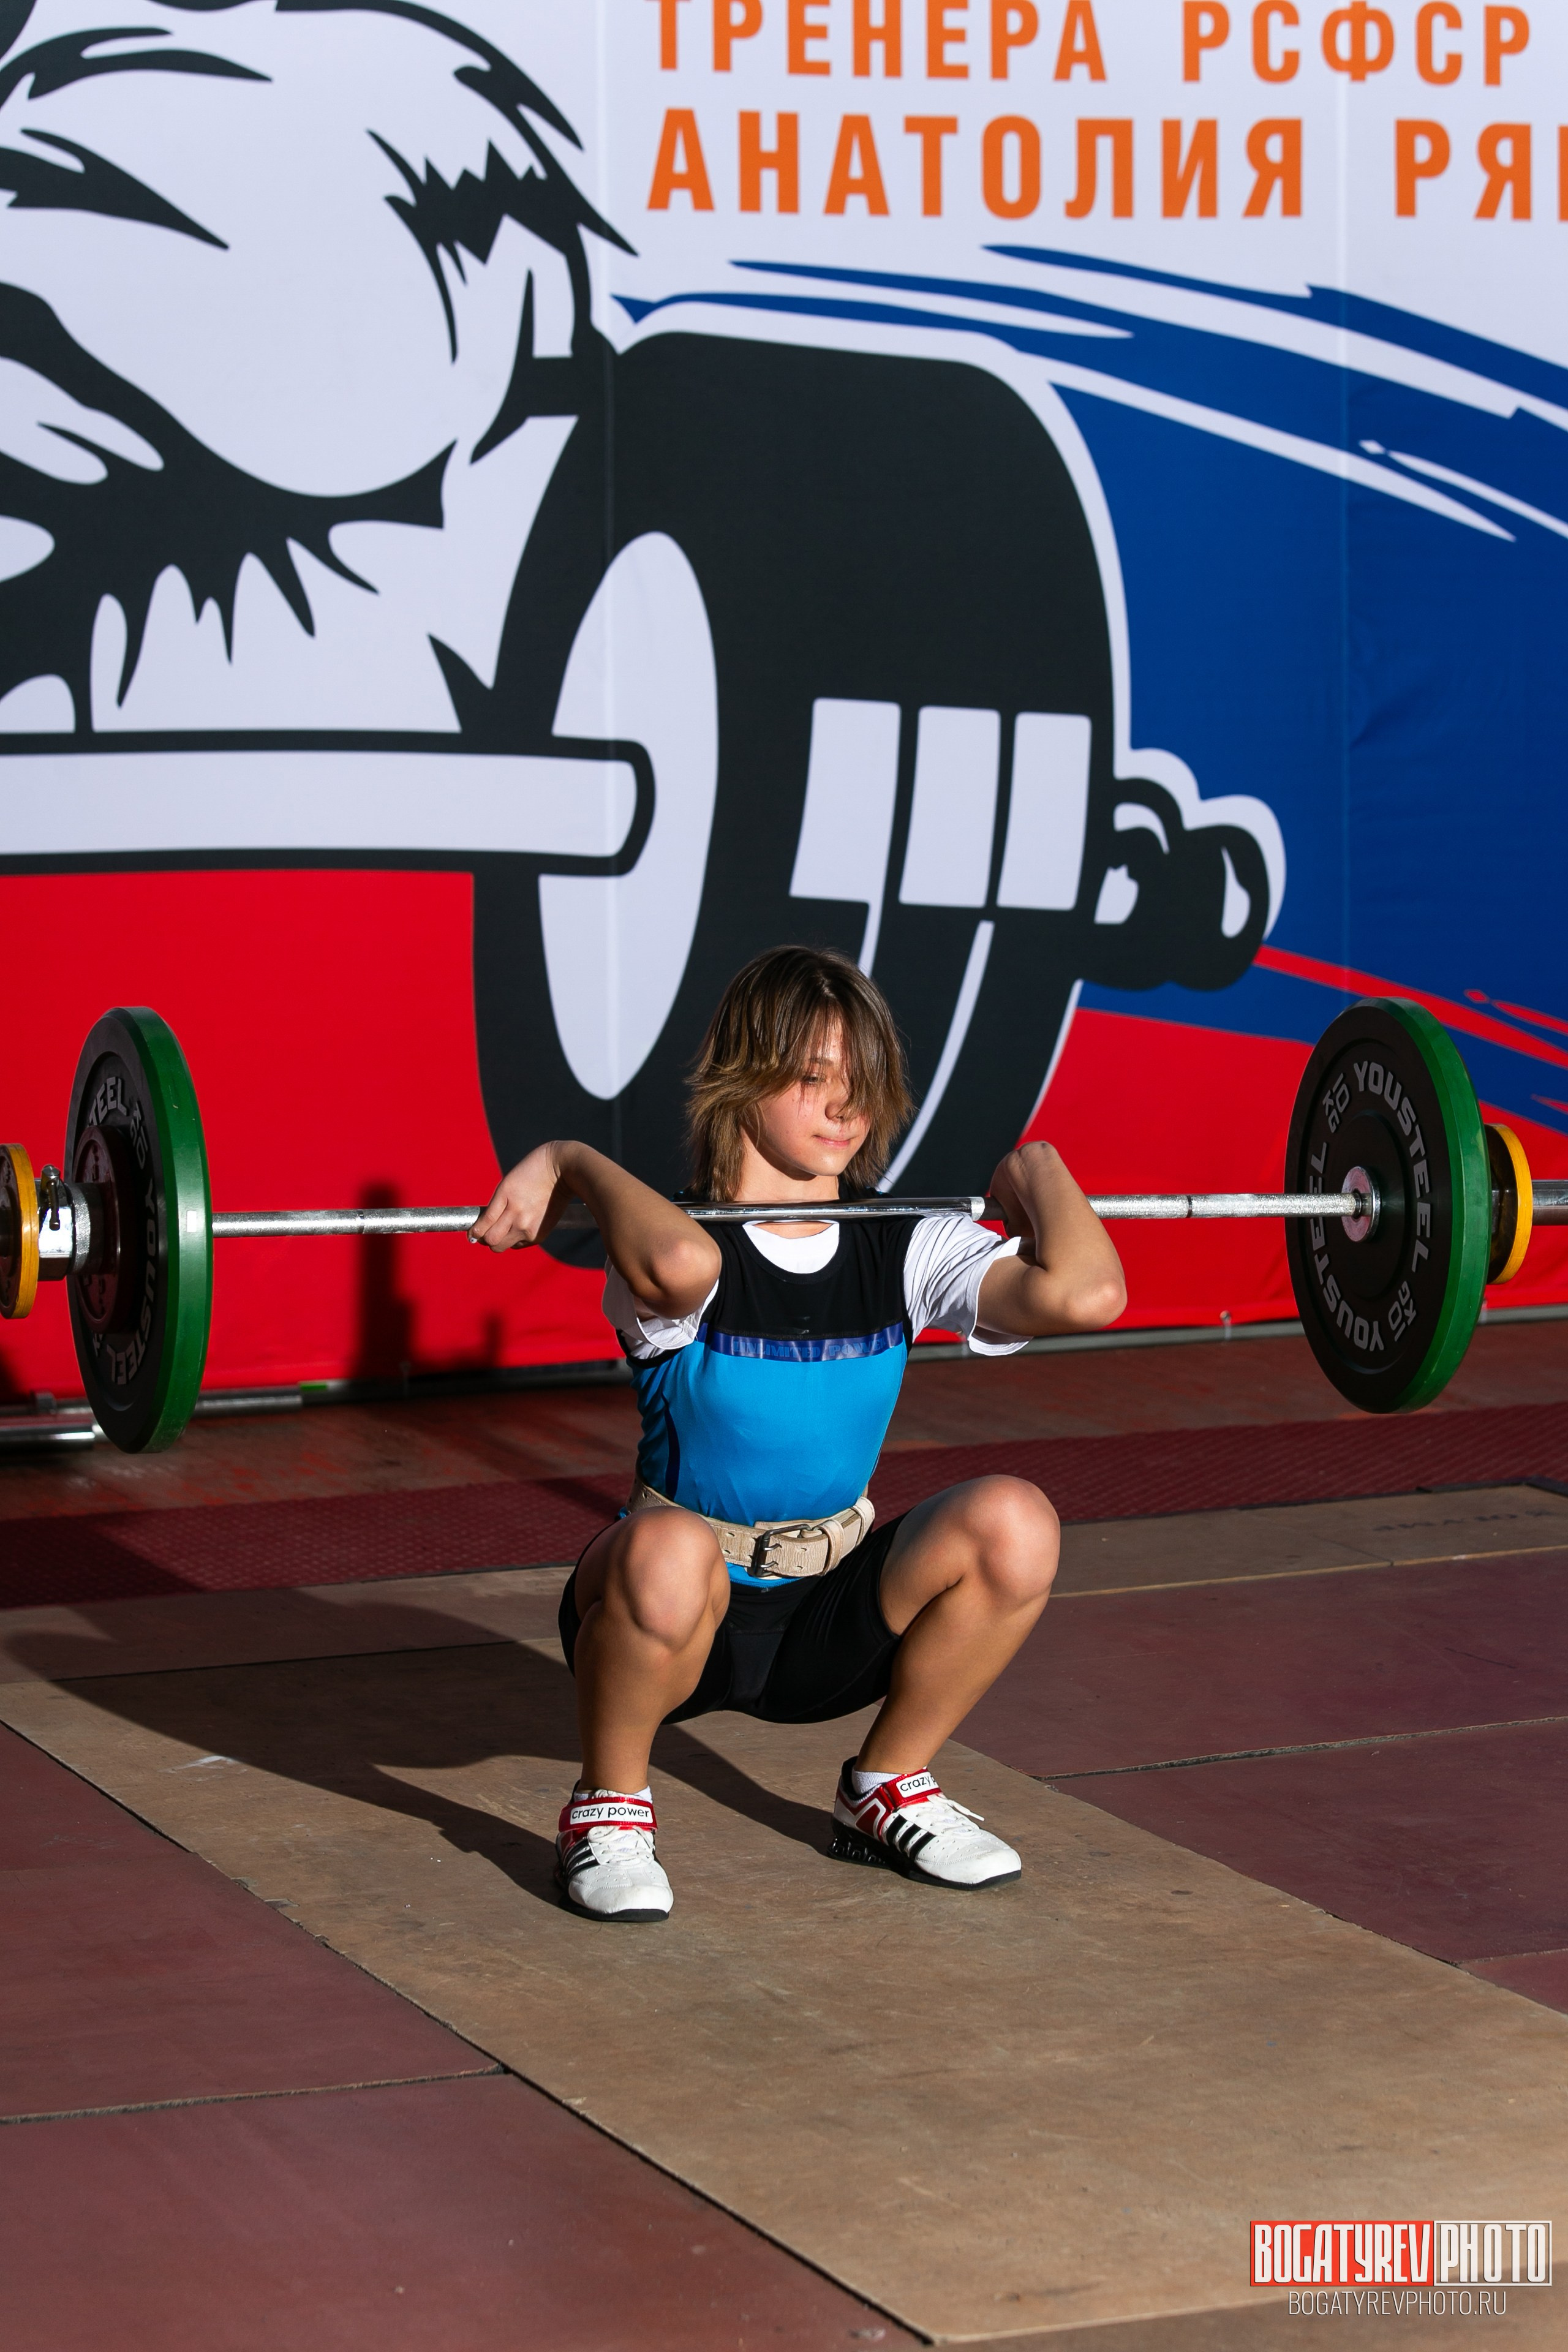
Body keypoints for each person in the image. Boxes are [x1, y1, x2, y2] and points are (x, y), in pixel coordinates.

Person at [472, 946, 1126, 1923]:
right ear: (743, 1078)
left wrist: (1037, 1167)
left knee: (1015, 1522)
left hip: (829, 1625)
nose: (843, 1109)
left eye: (861, 1085)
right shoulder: (677, 1243)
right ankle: (608, 1807)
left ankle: (886, 1789)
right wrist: (570, 1159)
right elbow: (681, 1261)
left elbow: (1088, 1293)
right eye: (812, 1078)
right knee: (668, 1547)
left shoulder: (905, 1244)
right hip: (676, 1623)